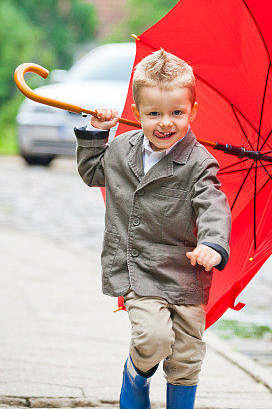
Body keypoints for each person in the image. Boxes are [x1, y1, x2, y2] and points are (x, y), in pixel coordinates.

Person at [74, 49, 231, 409]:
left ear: (192, 111)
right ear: (137, 113)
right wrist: (98, 132)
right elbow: (92, 172)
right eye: (154, 113)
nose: (165, 123)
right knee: (154, 338)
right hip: (139, 269)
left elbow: (213, 206)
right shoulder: (121, 150)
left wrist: (212, 243)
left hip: (186, 273)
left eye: (177, 113)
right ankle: (136, 375)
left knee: (186, 358)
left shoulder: (199, 163)